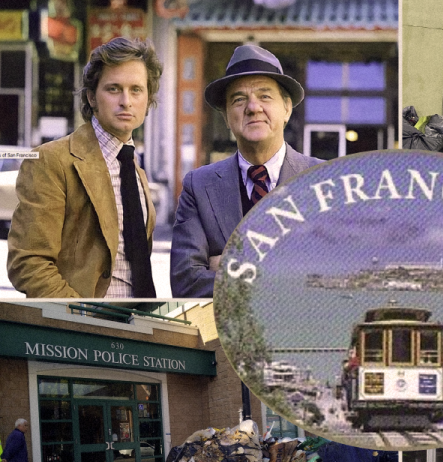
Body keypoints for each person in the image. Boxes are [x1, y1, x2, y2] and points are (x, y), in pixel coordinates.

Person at [7, 37, 163, 298]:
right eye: (114, 89)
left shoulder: (135, 168)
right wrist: (84, 320)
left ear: (147, 100)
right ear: (91, 96)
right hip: (82, 328)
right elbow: (28, 262)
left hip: (137, 326)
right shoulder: (52, 160)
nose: (126, 101)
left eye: (136, 90)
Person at [170, 45, 323, 298]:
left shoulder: (320, 179)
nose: (253, 108)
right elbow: (186, 282)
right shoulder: (199, 186)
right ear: (226, 117)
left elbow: (333, 275)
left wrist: (229, 264)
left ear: (287, 109)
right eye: (239, 99)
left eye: (265, 96)